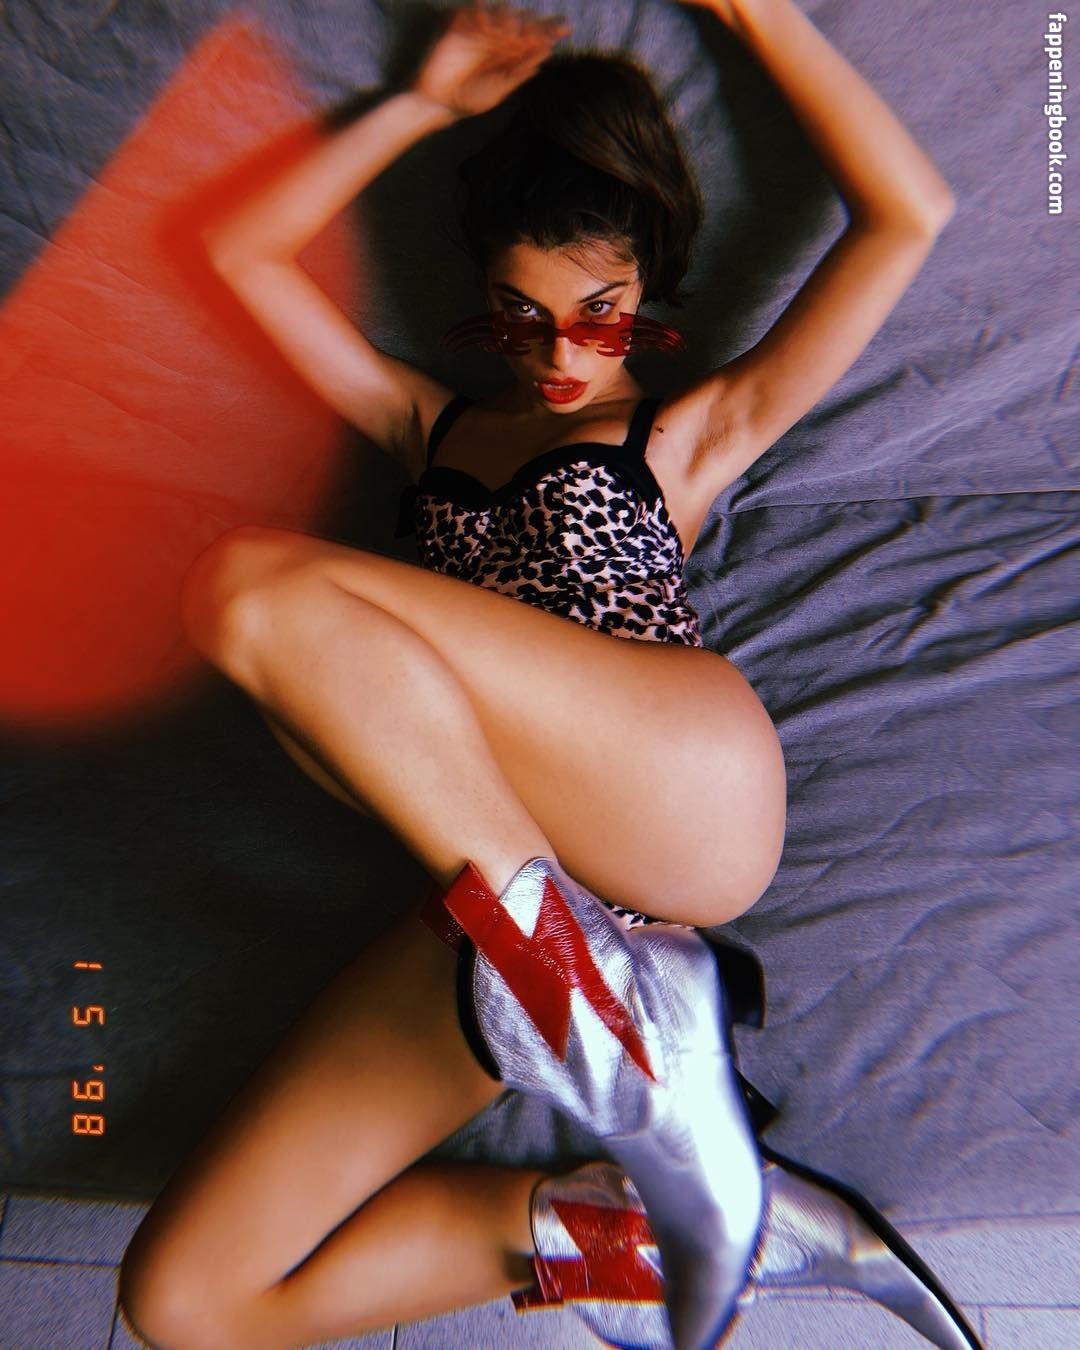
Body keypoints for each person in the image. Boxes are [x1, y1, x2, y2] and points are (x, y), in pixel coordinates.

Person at [117, 2, 976, 1348]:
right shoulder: (425, 424)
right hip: (491, 895)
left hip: (675, 799)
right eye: (523, 319)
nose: (564, 355)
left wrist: (755, 11)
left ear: (647, 301)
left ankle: (615, 1030)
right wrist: (419, 105)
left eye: (599, 317)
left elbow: (908, 214)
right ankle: (660, 1220)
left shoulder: (688, 433)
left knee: (245, 590)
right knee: (185, 1299)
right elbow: (237, 253)